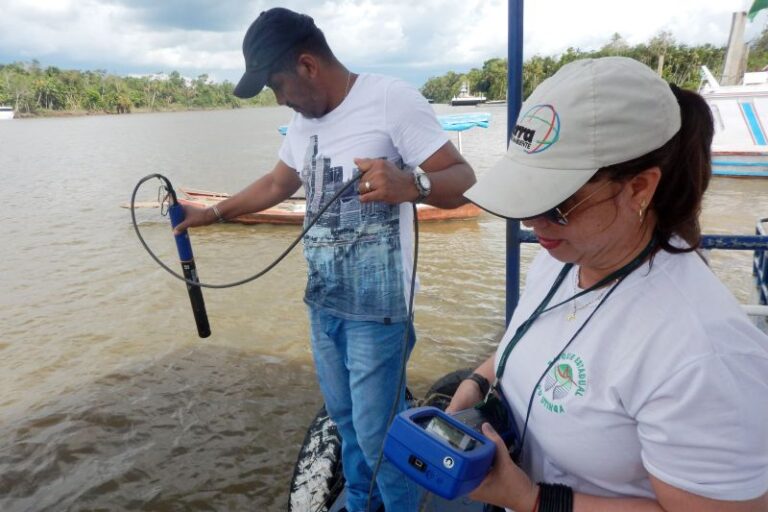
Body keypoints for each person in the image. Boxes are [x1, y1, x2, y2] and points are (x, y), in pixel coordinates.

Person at [174, 7, 475, 512]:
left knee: (381, 438)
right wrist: (211, 213)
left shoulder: (390, 100)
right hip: (324, 304)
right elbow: (277, 184)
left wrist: (412, 185)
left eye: (277, 85)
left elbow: (463, 177)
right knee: (346, 423)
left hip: (378, 313)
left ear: (308, 66)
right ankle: (360, 503)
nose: (279, 99)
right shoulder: (301, 121)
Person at [448, 56, 768, 512]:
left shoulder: (700, 352)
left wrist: (534, 501)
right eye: (526, 193)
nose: (532, 220)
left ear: (639, 189)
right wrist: (478, 383)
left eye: (556, 202)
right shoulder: (567, 254)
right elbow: (533, 334)